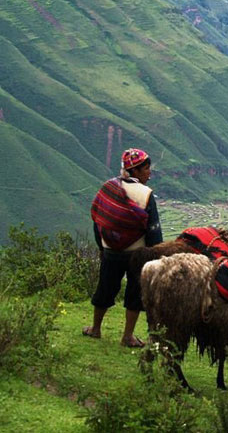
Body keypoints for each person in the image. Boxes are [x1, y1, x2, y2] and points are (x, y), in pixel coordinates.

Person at [84, 148, 163, 347]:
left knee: (105, 288)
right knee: (135, 294)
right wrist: (156, 255)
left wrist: (101, 247)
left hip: (110, 251)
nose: (149, 173)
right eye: (146, 169)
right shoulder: (146, 195)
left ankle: (95, 328)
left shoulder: (108, 188)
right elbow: (153, 230)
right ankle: (127, 336)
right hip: (137, 254)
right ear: (135, 171)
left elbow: (99, 220)